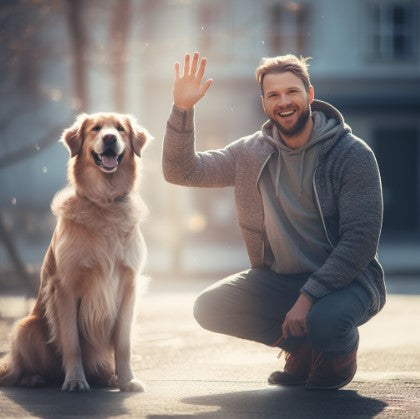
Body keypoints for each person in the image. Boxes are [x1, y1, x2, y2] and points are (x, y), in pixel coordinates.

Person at [162, 52, 385, 390]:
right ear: (264, 103)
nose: (284, 102)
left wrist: (308, 297)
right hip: (281, 280)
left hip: (349, 280)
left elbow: (360, 242)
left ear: (310, 95)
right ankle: (302, 346)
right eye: (274, 95)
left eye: (292, 92)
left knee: (326, 321)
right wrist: (182, 109)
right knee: (209, 307)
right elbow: (181, 171)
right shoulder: (250, 153)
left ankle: (337, 352)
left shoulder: (351, 154)